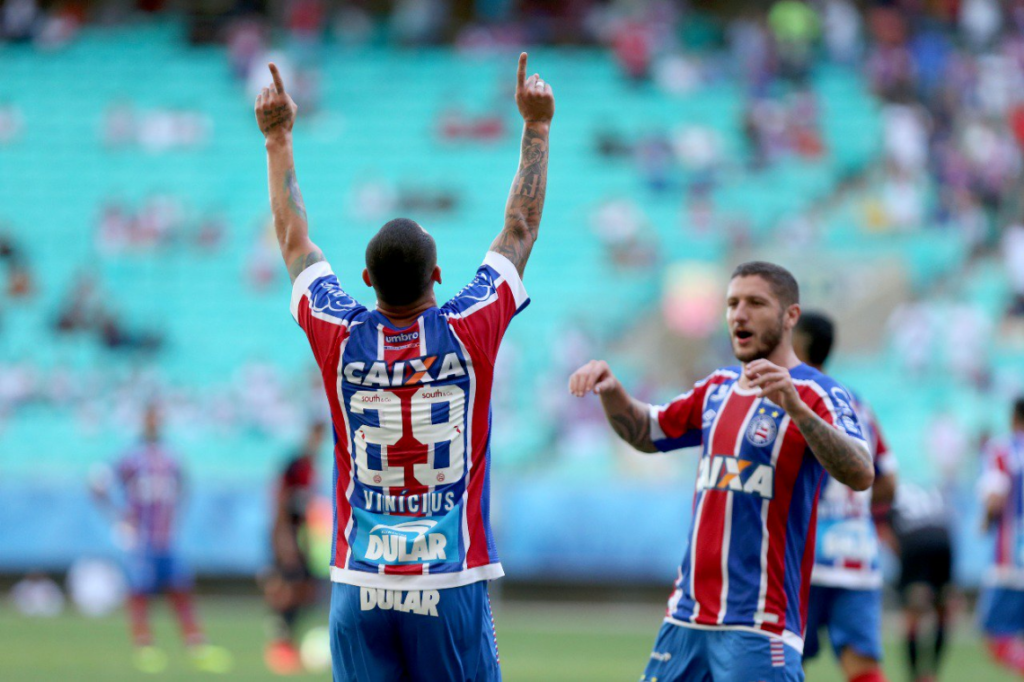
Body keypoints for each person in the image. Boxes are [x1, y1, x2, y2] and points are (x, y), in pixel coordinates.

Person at [255, 52, 553, 681]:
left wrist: (278, 138)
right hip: (449, 579)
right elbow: (520, 227)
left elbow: (292, 241)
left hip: (359, 582)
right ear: (437, 275)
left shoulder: (339, 332)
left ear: (365, 281)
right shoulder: (470, 328)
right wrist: (536, 125)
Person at [569, 262, 875, 682]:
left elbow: (862, 472)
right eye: (732, 303)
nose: (739, 314)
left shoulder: (816, 391)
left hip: (759, 624)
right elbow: (648, 431)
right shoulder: (717, 387)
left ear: (791, 316)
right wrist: (612, 391)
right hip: (686, 618)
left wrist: (797, 410)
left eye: (755, 303)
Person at [89, 405, 231, 674]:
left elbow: (184, 487)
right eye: (150, 419)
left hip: (167, 539)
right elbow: (97, 485)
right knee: (140, 590)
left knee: (180, 587)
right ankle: (144, 644)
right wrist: (119, 518)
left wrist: (176, 517)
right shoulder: (130, 458)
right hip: (142, 539)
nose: (154, 423)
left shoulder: (171, 457)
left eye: (157, 419)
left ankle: (195, 642)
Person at [793, 311, 896, 682]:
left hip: (804, 555)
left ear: (800, 343)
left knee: (781, 660)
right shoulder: (857, 403)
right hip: (856, 553)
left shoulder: (793, 397)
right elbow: (889, 482)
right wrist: (854, 501)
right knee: (862, 666)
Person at [263, 421, 326, 674]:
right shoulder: (295, 465)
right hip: (285, 535)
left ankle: (286, 639)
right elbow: (280, 503)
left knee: (306, 590)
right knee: (287, 589)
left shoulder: (311, 468)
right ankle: (279, 644)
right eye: (316, 436)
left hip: (300, 537)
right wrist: (285, 542)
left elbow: (304, 509)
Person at [877, 482, 954, 682]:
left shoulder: (887, 496)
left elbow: (886, 535)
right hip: (943, 540)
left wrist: (904, 562)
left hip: (914, 543)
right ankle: (932, 673)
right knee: (942, 610)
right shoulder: (928, 492)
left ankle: (914, 676)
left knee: (912, 613)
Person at [977, 398, 1024, 676]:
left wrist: (985, 521)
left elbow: (995, 497)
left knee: (995, 636)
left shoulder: (1003, 450)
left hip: (1012, 558)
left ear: (1013, 418)